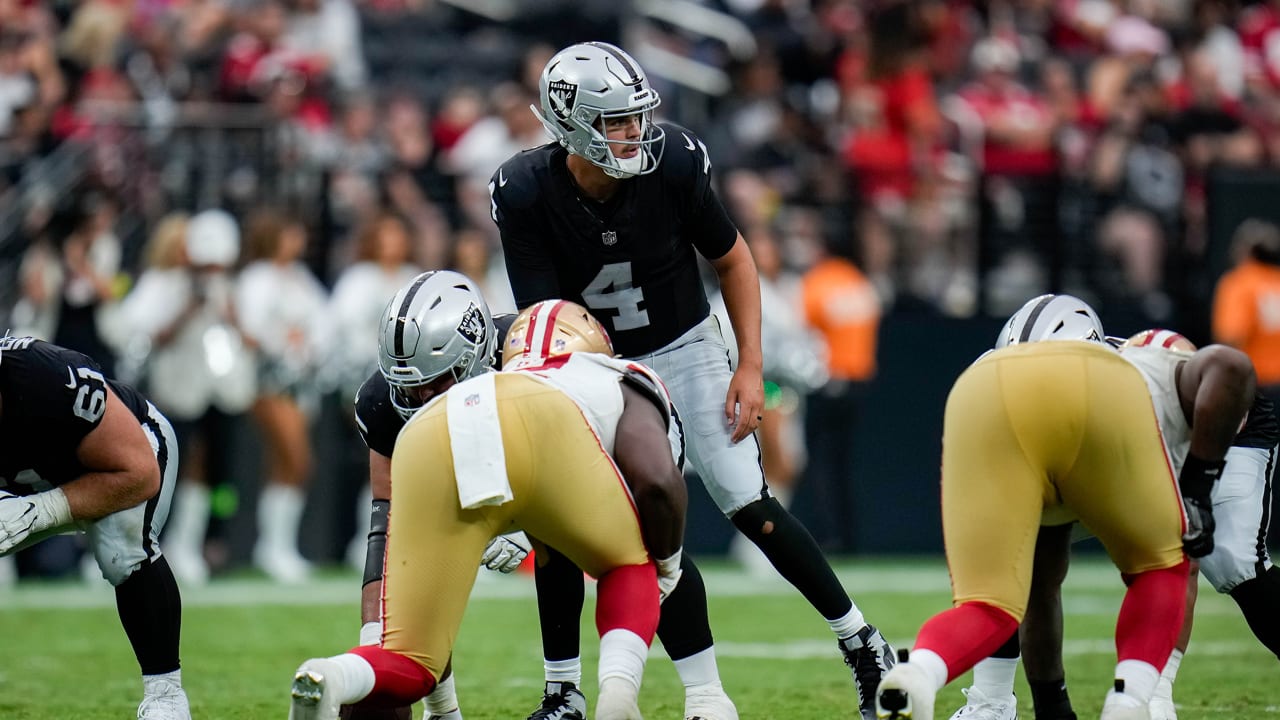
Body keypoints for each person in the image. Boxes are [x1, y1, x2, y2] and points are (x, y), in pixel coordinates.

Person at [491, 40, 894, 720]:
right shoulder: (525, 190)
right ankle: (566, 690)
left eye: (636, 117)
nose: (634, 133)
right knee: (566, 523)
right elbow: (543, 321)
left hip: (684, 343)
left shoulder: (673, 162)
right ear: (571, 124)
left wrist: (751, 365)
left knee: (748, 500)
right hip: (593, 364)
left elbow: (733, 261)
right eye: (615, 121)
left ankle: (863, 642)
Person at [346, 272, 727, 720]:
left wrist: (525, 526)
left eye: (435, 383)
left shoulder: (525, 349)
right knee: (419, 588)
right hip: (460, 477)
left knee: (648, 549)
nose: (419, 397)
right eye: (407, 386)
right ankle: (445, 711)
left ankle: (694, 694)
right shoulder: (382, 402)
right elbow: (387, 524)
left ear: (474, 357)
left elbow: (569, 451)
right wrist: (376, 636)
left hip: (572, 457)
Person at [874, 294, 1256, 720]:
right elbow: (1233, 368)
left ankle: (922, 674)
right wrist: (1199, 488)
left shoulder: (999, 364)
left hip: (980, 390)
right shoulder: (1145, 358)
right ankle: (1133, 701)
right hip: (1104, 399)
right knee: (1162, 565)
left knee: (990, 602)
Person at [0, 334, 191, 719]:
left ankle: (166, 696)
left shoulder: (46, 375)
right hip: (26, 479)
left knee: (122, 548)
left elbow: (139, 474)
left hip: (122, 457)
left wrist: (38, 510)